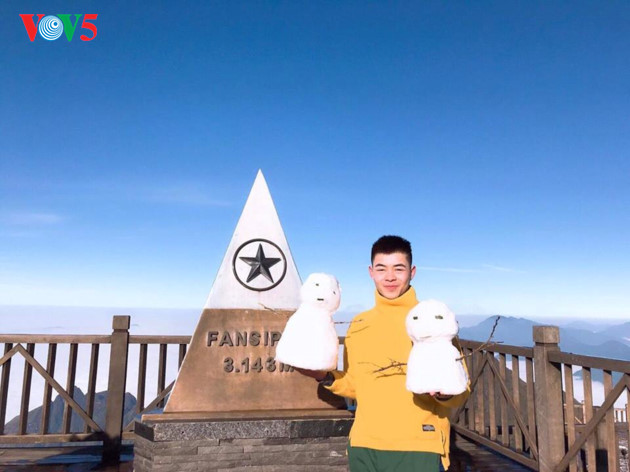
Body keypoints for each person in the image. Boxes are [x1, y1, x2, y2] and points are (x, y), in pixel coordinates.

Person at [300, 235, 469, 471]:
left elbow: (461, 389)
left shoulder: (431, 319)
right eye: (381, 269)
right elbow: (355, 385)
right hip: (364, 445)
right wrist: (323, 376)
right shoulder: (359, 324)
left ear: (412, 272)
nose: (390, 277)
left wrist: (443, 394)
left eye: (398, 268)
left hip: (418, 446)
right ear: (371, 272)